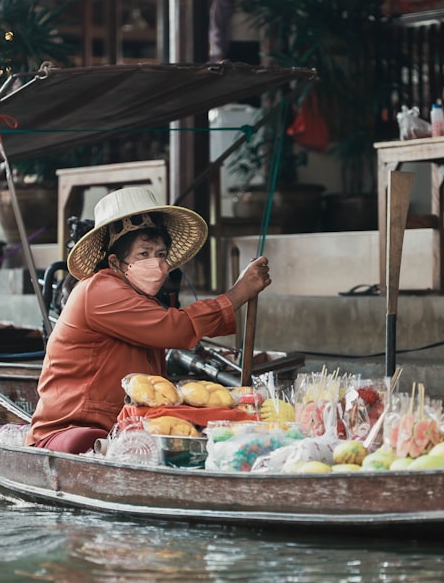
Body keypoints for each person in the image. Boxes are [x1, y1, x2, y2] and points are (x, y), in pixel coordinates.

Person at [26, 186, 271, 454]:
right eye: (144, 254)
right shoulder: (99, 290)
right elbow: (174, 329)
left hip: (127, 429)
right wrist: (238, 294)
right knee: (90, 441)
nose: (158, 263)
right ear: (116, 262)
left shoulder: (142, 300)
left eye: (162, 254)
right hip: (73, 428)